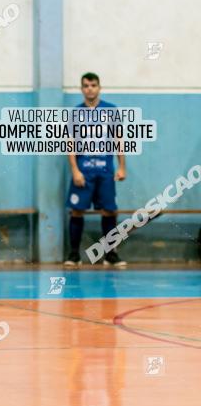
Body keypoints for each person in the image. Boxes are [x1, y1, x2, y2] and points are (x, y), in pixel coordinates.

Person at [64, 72, 127, 267]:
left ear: (99, 87)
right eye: (86, 85)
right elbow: (70, 143)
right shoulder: (75, 113)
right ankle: (74, 255)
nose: (89, 88)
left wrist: (122, 166)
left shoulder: (111, 111)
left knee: (109, 211)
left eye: (93, 85)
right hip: (84, 171)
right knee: (77, 211)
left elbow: (119, 139)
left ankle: (110, 254)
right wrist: (75, 170)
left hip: (105, 170)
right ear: (81, 89)